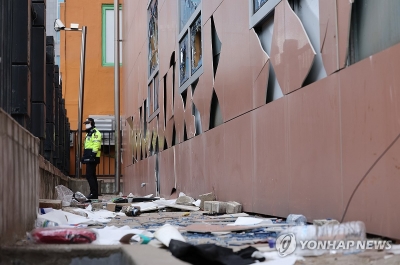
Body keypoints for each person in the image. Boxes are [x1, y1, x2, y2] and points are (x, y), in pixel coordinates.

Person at [81, 118, 102, 199]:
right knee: (92, 175)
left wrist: (92, 154)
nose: (86, 124)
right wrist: (84, 157)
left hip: (93, 156)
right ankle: (94, 194)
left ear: (92, 123)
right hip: (89, 155)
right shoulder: (88, 133)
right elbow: (86, 146)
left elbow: (96, 144)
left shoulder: (96, 133)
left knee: (89, 175)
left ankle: (93, 194)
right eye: (85, 123)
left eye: (88, 123)